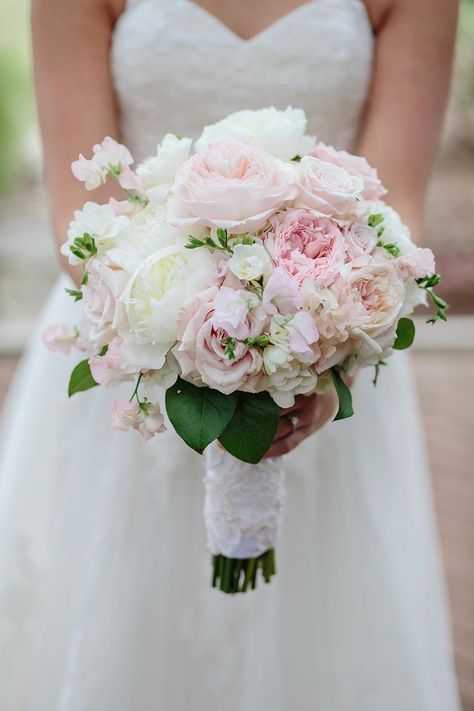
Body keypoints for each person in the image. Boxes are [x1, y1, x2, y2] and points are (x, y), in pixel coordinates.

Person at [0, 0, 461, 708]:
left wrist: (324, 364)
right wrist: (186, 338)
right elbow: (80, 208)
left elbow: (400, 213)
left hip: (328, 356)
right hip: (131, 345)